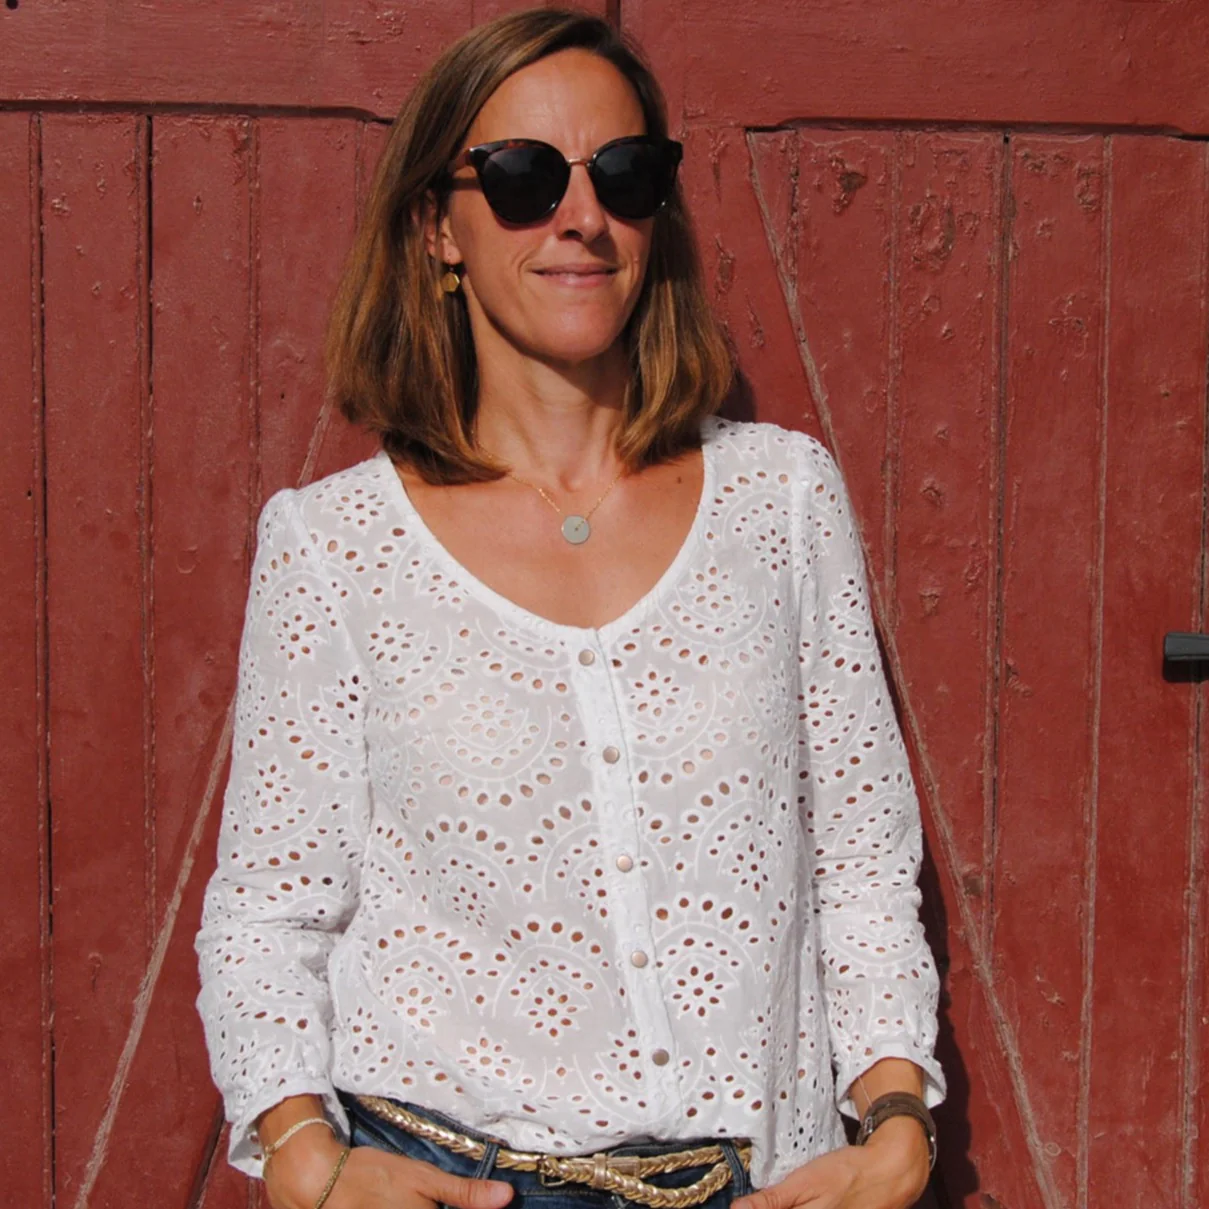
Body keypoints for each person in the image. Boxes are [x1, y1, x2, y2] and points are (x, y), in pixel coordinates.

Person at [194, 9, 946, 1209]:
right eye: (523, 176)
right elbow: (268, 911)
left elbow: (860, 856)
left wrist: (897, 1119)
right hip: (448, 1174)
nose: (582, 216)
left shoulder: (783, 499)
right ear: (437, 225)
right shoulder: (335, 548)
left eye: (626, 174)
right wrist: (301, 1152)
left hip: (763, 1177)